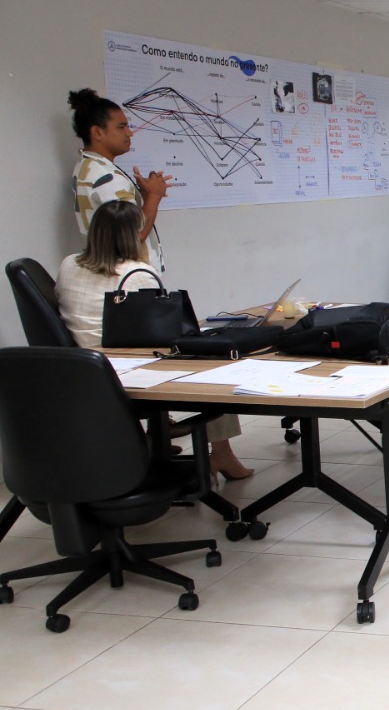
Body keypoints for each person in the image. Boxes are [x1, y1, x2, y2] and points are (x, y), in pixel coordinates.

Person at [56, 200, 252, 481]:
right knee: (216, 365)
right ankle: (222, 453)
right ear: (134, 235)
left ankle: (154, 442)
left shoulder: (68, 264)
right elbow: (159, 331)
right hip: (129, 368)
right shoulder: (138, 274)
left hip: (84, 369)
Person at [68, 88, 170, 273]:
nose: (129, 133)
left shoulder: (86, 166)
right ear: (97, 132)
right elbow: (132, 238)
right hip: (129, 279)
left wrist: (145, 196)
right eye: (121, 127)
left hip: (111, 274)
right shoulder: (107, 178)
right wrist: (154, 197)